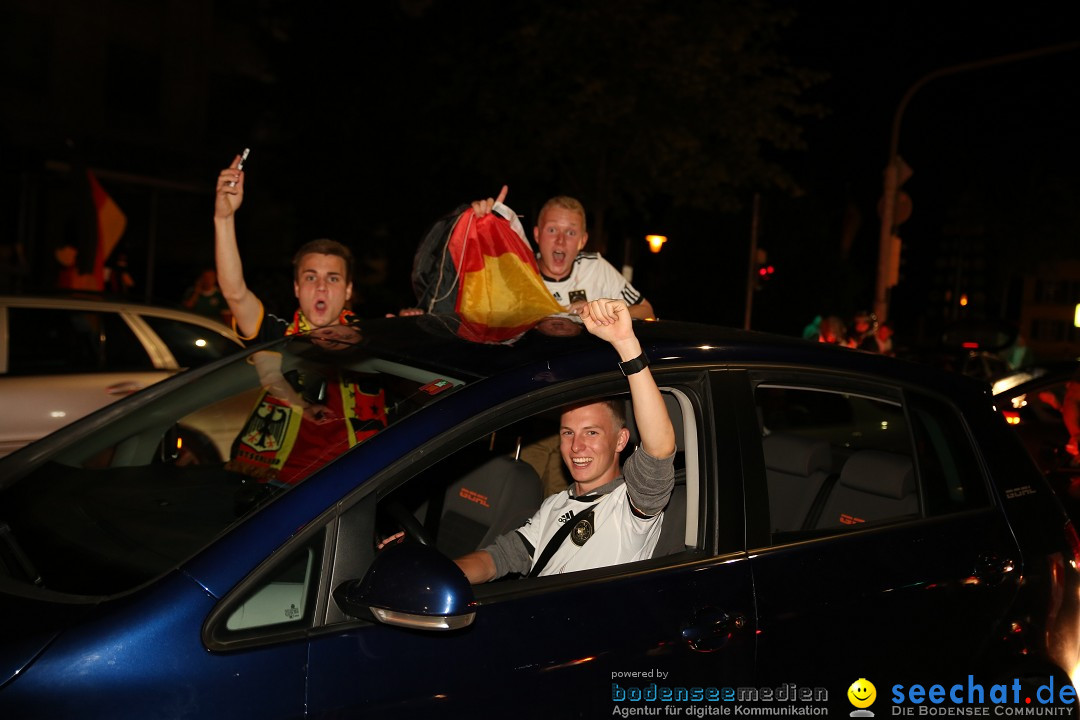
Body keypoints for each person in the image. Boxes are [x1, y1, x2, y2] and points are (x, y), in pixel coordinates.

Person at [452, 297, 675, 582]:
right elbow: (499, 557)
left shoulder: (630, 507)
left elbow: (659, 450)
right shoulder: (554, 505)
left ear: (620, 440)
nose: (576, 447)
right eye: (568, 433)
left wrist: (626, 344)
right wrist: (437, 575)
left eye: (591, 432)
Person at [214, 155, 387, 485]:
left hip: (354, 488)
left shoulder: (375, 343)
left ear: (348, 289)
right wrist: (224, 218)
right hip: (276, 489)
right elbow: (235, 293)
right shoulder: (277, 334)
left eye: (332, 278)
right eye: (311, 277)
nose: (321, 286)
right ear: (296, 287)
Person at [471, 186, 656, 320]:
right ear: (537, 234)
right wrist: (479, 230)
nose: (561, 240)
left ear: (582, 241)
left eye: (570, 232)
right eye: (552, 230)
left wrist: (601, 312)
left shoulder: (595, 268)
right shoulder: (518, 273)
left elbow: (646, 311)